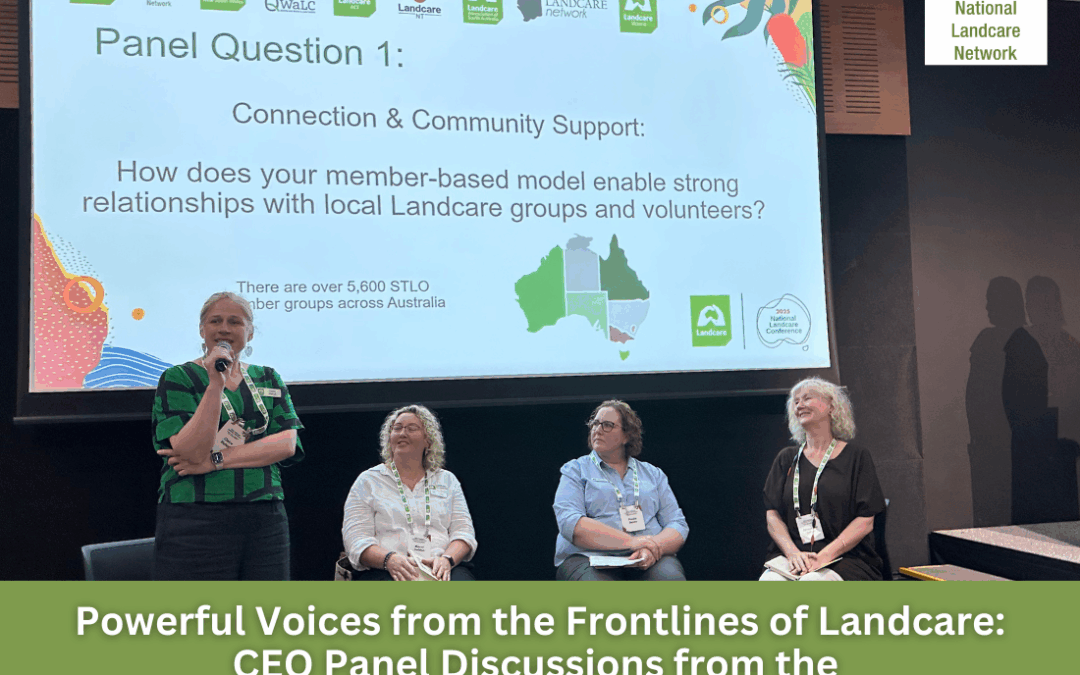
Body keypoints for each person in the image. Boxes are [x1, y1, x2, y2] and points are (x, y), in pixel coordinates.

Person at [152, 292, 304, 580]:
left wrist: (216, 460)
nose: (224, 328)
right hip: (195, 517)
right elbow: (190, 453)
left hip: (264, 517)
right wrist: (215, 386)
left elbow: (285, 444)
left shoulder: (268, 377)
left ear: (249, 332)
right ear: (202, 329)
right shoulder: (178, 378)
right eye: (215, 321)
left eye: (235, 321)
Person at [760, 377, 885, 581]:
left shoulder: (857, 457)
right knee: (770, 582)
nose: (799, 405)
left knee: (812, 582)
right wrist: (792, 553)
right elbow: (772, 515)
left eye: (807, 398)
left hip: (845, 558)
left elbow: (866, 520)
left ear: (831, 406)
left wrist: (824, 557)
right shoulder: (786, 458)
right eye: (796, 401)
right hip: (794, 556)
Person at [553, 400, 689, 580]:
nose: (597, 429)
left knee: (670, 580)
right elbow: (571, 523)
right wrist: (632, 542)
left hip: (648, 556)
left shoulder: (653, 474)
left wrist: (653, 547)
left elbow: (677, 523)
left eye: (607, 425)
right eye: (595, 423)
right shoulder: (575, 470)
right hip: (589, 557)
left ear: (627, 435)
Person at [342, 405, 477, 581]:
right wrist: (390, 560)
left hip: (440, 570)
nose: (402, 433)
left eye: (411, 428)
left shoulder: (447, 480)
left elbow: (464, 533)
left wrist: (447, 560)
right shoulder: (368, 481)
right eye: (397, 428)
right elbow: (356, 539)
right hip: (386, 570)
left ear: (428, 440)